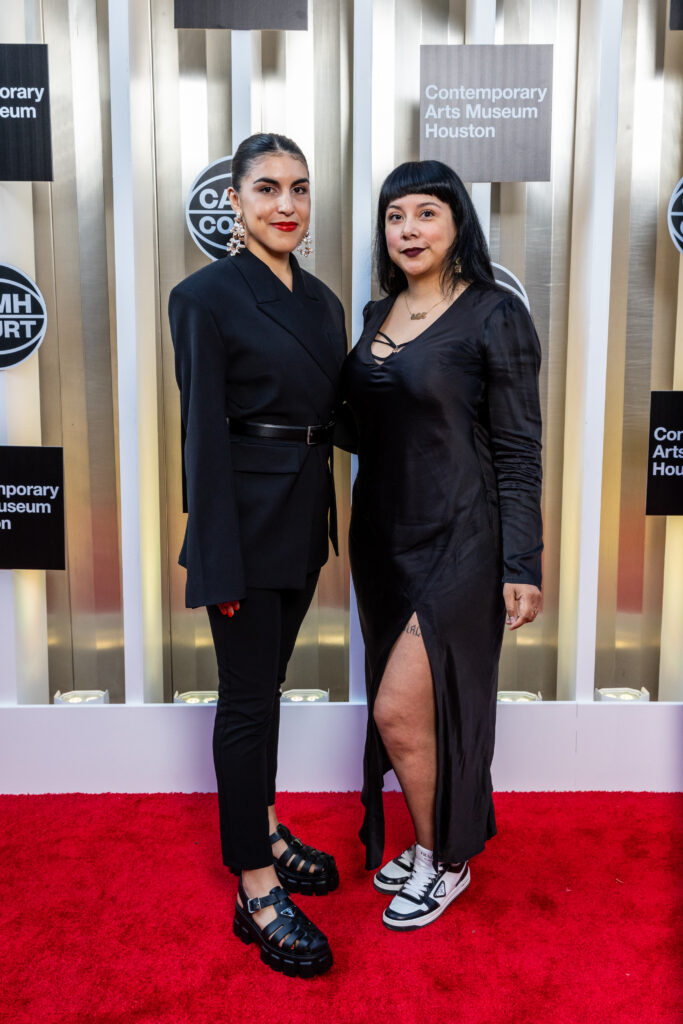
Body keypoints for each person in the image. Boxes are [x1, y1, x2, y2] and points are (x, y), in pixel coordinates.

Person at [340, 160, 543, 931]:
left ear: (457, 223)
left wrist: (519, 560)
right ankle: (440, 836)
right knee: (412, 715)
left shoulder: (494, 313)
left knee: (399, 710)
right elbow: (360, 425)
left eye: (426, 213)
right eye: (395, 217)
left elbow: (518, 448)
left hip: (463, 534)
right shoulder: (373, 312)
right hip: (381, 540)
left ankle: (442, 859)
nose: (408, 230)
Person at [169, 133, 347, 977]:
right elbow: (200, 436)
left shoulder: (323, 301)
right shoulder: (203, 297)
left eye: (300, 189)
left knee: (266, 693)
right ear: (233, 202)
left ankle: (264, 821)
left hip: (303, 520)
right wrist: (215, 561)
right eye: (268, 188)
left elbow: (342, 414)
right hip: (240, 529)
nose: (287, 205)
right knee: (246, 703)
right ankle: (254, 882)